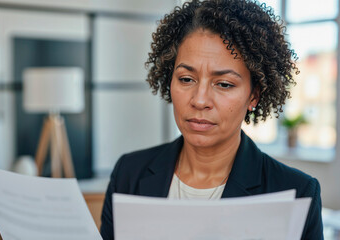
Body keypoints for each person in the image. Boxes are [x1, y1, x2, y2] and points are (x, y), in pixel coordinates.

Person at [100, 0, 323, 239]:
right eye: (186, 79)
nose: (200, 100)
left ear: (254, 96)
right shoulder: (129, 173)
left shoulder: (296, 192)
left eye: (224, 84)